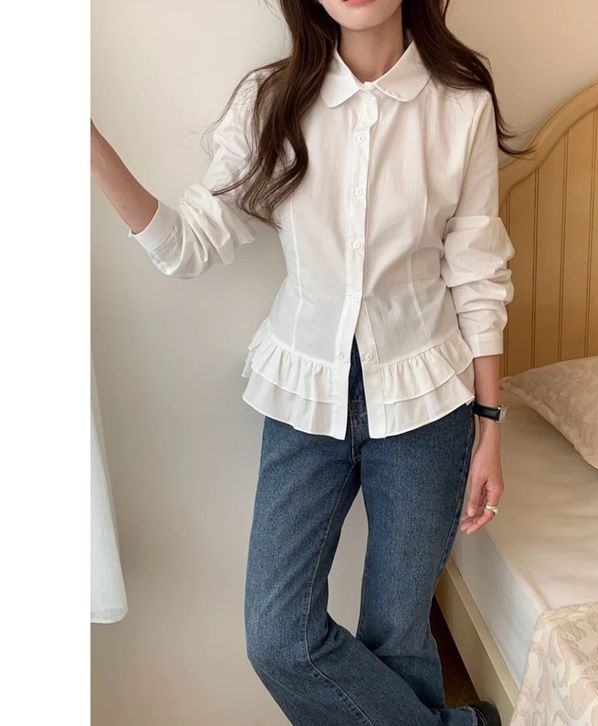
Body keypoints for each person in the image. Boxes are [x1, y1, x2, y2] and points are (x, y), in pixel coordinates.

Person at [91, 1, 533, 723]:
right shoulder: (270, 101)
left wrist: (490, 425)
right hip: (305, 395)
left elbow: (477, 273)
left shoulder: (460, 103)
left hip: (428, 400)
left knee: (398, 640)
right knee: (278, 637)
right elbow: (186, 248)